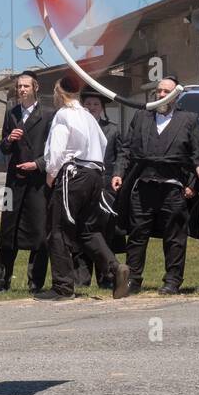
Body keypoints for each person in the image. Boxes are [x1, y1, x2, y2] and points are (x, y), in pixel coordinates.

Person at [37, 74, 129, 300]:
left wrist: (51, 175)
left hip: (73, 173)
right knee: (88, 229)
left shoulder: (63, 114)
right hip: (95, 174)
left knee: (57, 229)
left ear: (59, 92)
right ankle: (115, 267)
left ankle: (62, 286)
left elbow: (57, 150)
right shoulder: (87, 116)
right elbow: (104, 142)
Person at [111, 76, 199, 295]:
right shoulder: (142, 116)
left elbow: (196, 156)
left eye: (166, 92)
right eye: (159, 91)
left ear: (176, 95)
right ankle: (133, 280)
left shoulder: (188, 119)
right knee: (137, 235)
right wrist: (118, 173)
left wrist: (192, 183)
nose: (161, 95)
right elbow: (126, 149)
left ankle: (172, 281)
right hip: (143, 186)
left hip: (174, 188)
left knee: (175, 237)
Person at [0, 71, 54, 293]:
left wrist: (37, 164)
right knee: (7, 228)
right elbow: (4, 147)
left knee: (39, 230)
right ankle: (1, 278)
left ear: (35, 88)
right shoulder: (12, 112)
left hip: (37, 180)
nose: (22, 90)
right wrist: (9, 139)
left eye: (26, 86)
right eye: (19, 86)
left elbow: (55, 149)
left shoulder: (48, 113)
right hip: (13, 181)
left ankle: (35, 280)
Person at [79, 89, 124, 287]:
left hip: (106, 188)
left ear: (102, 108)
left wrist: (118, 174)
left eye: (96, 104)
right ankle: (82, 278)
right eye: (88, 104)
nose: (92, 108)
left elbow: (122, 155)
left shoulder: (113, 130)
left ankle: (107, 278)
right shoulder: (78, 130)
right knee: (82, 232)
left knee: (104, 233)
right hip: (81, 187)